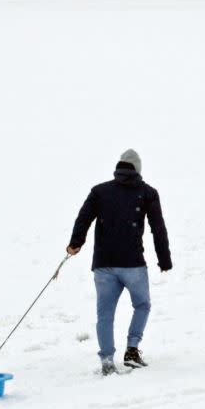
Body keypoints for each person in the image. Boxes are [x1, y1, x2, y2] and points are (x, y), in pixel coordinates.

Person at [67, 149, 172, 375]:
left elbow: (83, 217)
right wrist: (164, 259)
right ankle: (132, 350)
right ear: (138, 169)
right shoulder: (147, 193)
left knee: (105, 314)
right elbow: (158, 228)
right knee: (142, 305)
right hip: (133, 263)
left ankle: (107, 360)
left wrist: (76, 243)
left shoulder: (99, 191)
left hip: (103, 264)